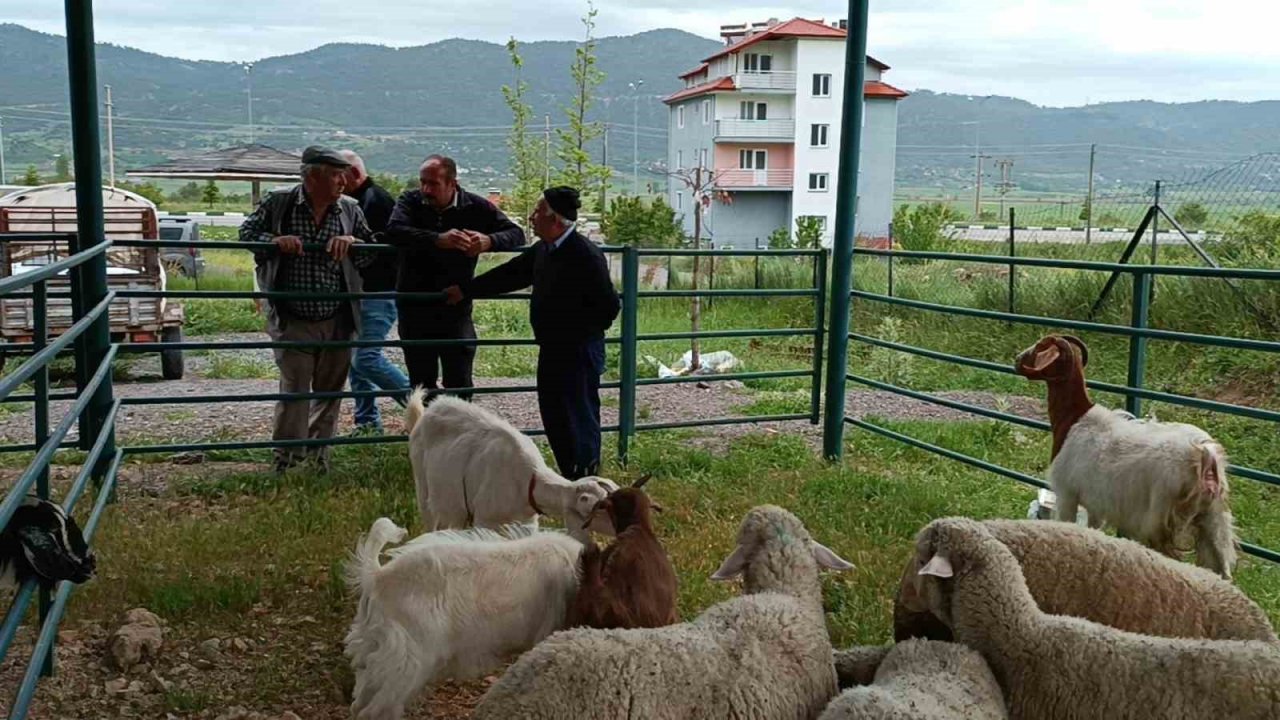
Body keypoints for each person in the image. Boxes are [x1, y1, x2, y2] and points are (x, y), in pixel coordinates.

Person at [445, 187, 619, 479]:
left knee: (579, 413)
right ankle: (568, 478)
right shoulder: (545, 250)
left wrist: (577, 330)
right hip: (552, 347)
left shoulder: (584, 255)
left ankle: (588, 479)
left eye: (538, 211)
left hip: (578, 348)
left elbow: (609, 307)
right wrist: (467, 290)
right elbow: (511, 274)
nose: (531, 217)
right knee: (554, 414)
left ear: (554, 220)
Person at [239, 146, 376, 473]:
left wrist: (354, 243)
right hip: (292, 316)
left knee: (329, 394)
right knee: (295, 392)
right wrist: (274, 240)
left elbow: (372, 253)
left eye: (343, 174)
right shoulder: (280, 203)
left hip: (338, 316)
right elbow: (246, 233)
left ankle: (317, 461)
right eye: (334, 174)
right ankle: (287, 462)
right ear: (311, 176)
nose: (342, 181)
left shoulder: (350, 210)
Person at [385, 154, 525, 399]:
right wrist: (438, 240)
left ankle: (460, 433)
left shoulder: (476, 206)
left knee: (459, 380)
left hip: (456, 304)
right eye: (423, 182)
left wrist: (488, 241)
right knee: (421, 382)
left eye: (433, 184)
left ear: (453, 184)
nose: (426, 189)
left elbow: (516, 234)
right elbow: (394, 231)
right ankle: (428, 433)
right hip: (414, 304)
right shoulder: (410, 200)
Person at [339, 150, 410, 434]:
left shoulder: (375, 202)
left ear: (354, 174)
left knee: (365, 358)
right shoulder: (368, 199)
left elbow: (382, 249)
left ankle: (426, 408)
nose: (337, 184)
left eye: (339, 177)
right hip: (369, 289)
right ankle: (367, 422)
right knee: (357, 361)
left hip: (378, 290)